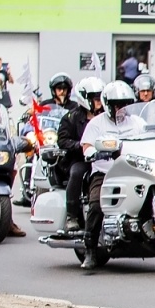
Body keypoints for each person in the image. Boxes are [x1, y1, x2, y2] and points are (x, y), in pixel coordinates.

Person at [78, 80, 142, 268]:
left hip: (134, 171)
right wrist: (93, 152)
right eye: (117, 104)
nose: (122, 108)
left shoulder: (137, 122)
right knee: (97, 205)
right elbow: (86, 146)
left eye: (125, 104)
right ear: (108, 104)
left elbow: (151, 136)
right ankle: (90, 250)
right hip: (106, 173)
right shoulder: (96, 124)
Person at [55, 76, 100, 232]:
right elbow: (62, 140)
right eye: (95, 98)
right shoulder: (71, 117)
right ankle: (71, 216)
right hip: (81, 159)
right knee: (76, 173)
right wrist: (81, 146)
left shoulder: (106, 117)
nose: (99, 101)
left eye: (100, 97)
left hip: (104, 159)